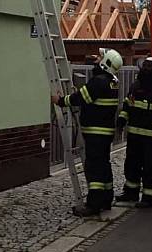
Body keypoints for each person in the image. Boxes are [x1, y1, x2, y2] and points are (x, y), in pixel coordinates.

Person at [52, 48, 123, 217]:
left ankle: (93, 205)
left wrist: (60, 101)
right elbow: (89, 96)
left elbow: (80, 99)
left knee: (94, 168)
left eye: (100, 57)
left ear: (106, 63)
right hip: (105, 133)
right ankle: (106, 199)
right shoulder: (112, 81)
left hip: (95, 133)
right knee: (104, 166)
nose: (96, 59)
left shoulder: (98, 82)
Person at [116, 56, 152, 208]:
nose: (146, 68)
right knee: (131, 165)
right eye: (145, 66)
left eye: (150, 66)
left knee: (150, 168)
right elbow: (127, 105)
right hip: (134, 135)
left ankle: (149, 198)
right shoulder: (136, 86)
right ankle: (131, 192)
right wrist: (121, 121)